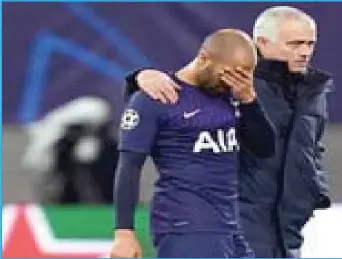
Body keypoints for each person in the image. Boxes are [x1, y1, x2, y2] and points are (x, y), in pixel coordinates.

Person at [124, 6, 334, 257]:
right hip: (238, 217)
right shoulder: (234, 78)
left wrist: (311, 191)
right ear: (262, 43)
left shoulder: (312, 91)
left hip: (288, 225)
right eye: (295, 44)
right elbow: (180, 92)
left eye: (310, 44)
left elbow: (309, 147)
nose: (305, 52)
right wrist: (139, 77)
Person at [110, 29, 275, 258]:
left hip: (229, 226)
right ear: (203, 57)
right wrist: (124, 233)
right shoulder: (159, 95)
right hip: (187, 225)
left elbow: (265, 149)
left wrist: (249, 100)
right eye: (227, 75)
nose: (231, 83)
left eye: (242, 77)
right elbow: (129, 165)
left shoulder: (232, 94)